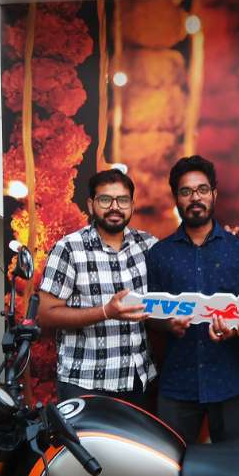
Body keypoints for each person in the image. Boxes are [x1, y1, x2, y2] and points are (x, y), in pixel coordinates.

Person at [146, 155, 239, 444]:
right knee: (172, 463)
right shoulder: (159, 254)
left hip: (230, 383)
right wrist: (168, 324)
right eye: (186, 191)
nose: (195, 198)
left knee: (235, 463)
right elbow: (148, 316)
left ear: (214, 194)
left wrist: (238, 328)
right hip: (177, 385)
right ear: (176, 198)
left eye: (202, 190)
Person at [37, 169, 156, 409]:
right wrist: (105, 312)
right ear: (91, 205)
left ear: (132, 205)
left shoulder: (148, 245)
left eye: (122, 200)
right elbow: (45, 315)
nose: (115, 207)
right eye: (105, 200)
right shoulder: (69, 249)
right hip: (85, 382)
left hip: (138, 379)